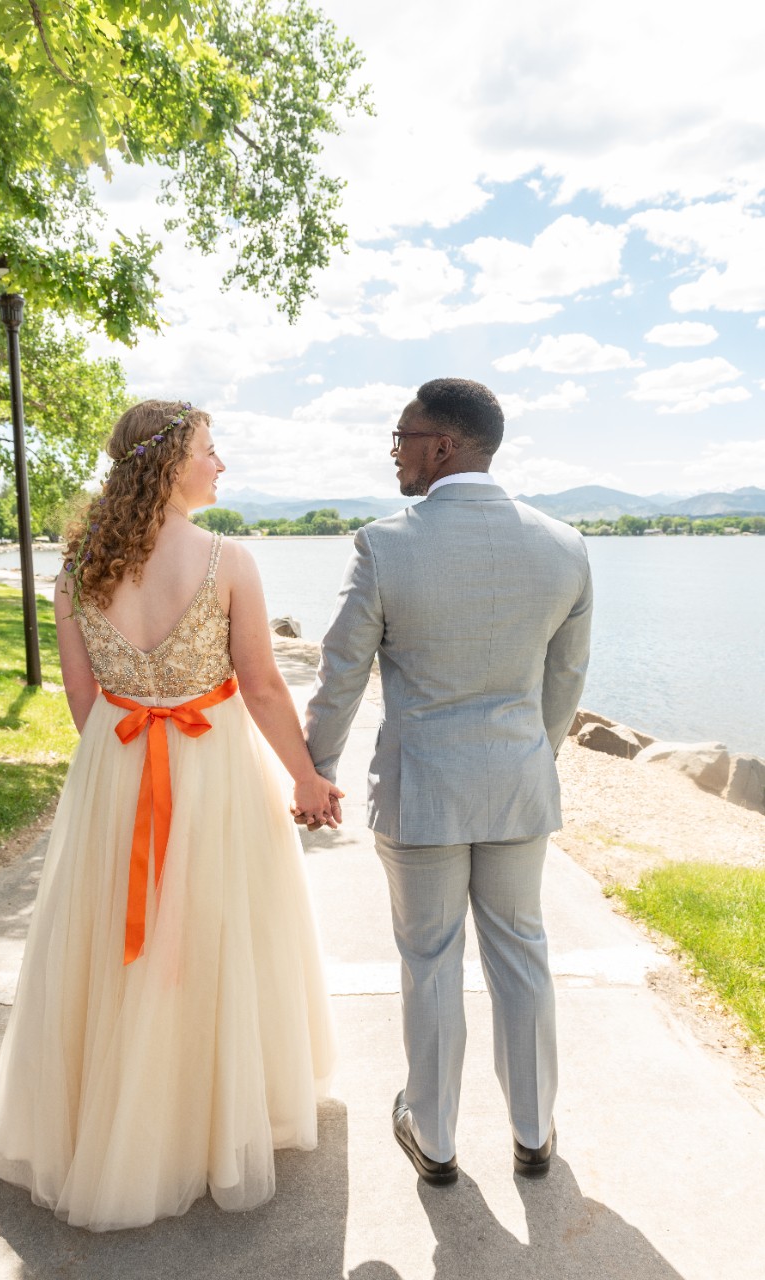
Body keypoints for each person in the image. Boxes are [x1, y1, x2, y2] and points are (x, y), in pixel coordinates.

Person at [0, 399, 340, 1230]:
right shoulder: (227, 560)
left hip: (117, 759)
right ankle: (208, 1120)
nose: (222, 465)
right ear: (174, 462)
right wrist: (308, 779)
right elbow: (262, 685)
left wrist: (124, 759)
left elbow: (81, 697)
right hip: (211, 761)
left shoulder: (77, 567)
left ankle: (118, 1122)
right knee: (213, 932)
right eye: (212, 450)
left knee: (115, 939)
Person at [303, 378, 592, 1184]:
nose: (394, 450)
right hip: (518, 783)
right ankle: (534, 1134)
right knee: (522, 954)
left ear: (443, 445)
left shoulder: (384, 544)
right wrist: (534, 756)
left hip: (422, 792)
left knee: (430, 959)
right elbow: (565, 679)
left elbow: (342, 674)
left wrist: (316, 766)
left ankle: (434, 1143)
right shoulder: (566, 545)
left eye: (402, 436)